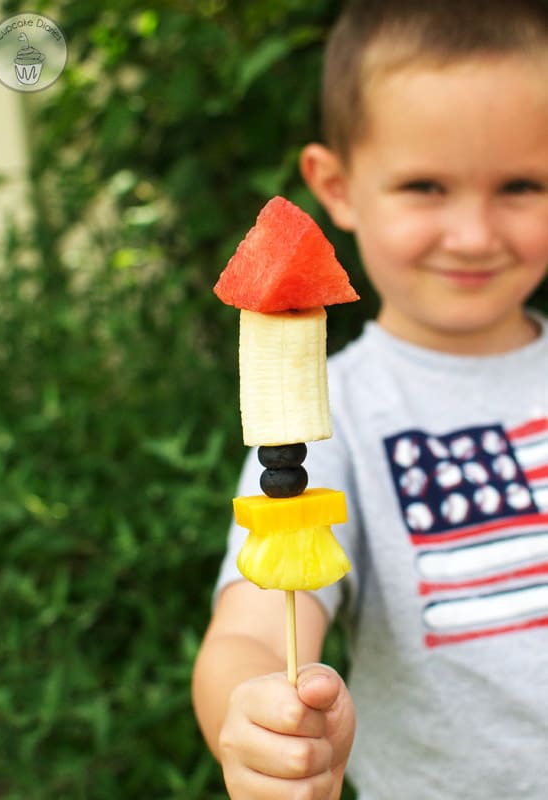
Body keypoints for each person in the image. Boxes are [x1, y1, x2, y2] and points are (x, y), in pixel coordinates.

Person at [192, 0, 548, 797]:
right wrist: (249, 715)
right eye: (425, 186)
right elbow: (252, 625)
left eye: (520, 185)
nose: (471, 234)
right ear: (337, 187)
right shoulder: (338, 414)